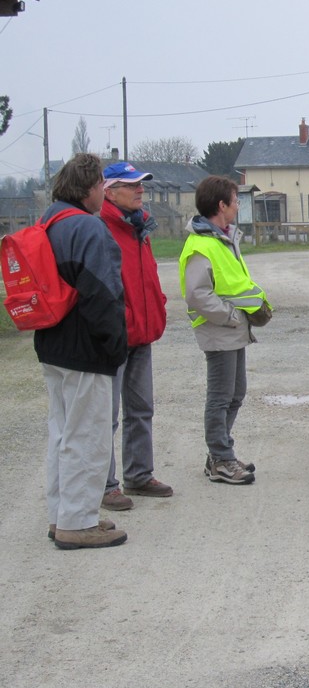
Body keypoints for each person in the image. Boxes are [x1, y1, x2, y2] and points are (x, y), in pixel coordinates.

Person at [36, 153, 129, 549]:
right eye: (100, 187)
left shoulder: (47, 222)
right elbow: (103, 293)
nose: (101, 194)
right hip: (85, 346)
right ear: (90, 188)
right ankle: (78, 522)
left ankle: (64, 514)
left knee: (61, 432)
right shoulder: (88, 228)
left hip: (51, 340)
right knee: (88, 436)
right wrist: (115, 345)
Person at [180, 175, 271, 485]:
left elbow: (232, 283)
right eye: (235, 201)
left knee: (236, 393)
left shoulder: (223, 238)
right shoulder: (202, 244)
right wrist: (231, 316)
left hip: (232, 329)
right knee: (220, 397)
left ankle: (219, 454)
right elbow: (197, 294)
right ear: (221, 205)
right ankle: (220, 458)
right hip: (220, 329)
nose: (237, 206)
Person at [99, 162, 171, 512]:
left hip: (141, 332)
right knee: (106, 415)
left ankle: (139, 475)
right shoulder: (101, 227)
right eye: (132, 185)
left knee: (141, 409)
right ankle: (106, 485)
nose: (140, 190)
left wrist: (157, 306)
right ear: (109, 191)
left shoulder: (139, 226)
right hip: (114, 336)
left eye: (141, 184)